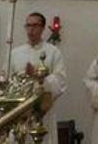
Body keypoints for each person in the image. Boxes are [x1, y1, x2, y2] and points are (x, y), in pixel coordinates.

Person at [10, 12, 67, 144]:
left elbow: (60, 81)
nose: (31, 29)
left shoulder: (53, 52)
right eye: (28, 25)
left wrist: (39, 76)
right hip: (20, 111)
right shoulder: (15, 53)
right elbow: (7, 80)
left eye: (35, 25)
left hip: (42, 111)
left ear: (42, 28)